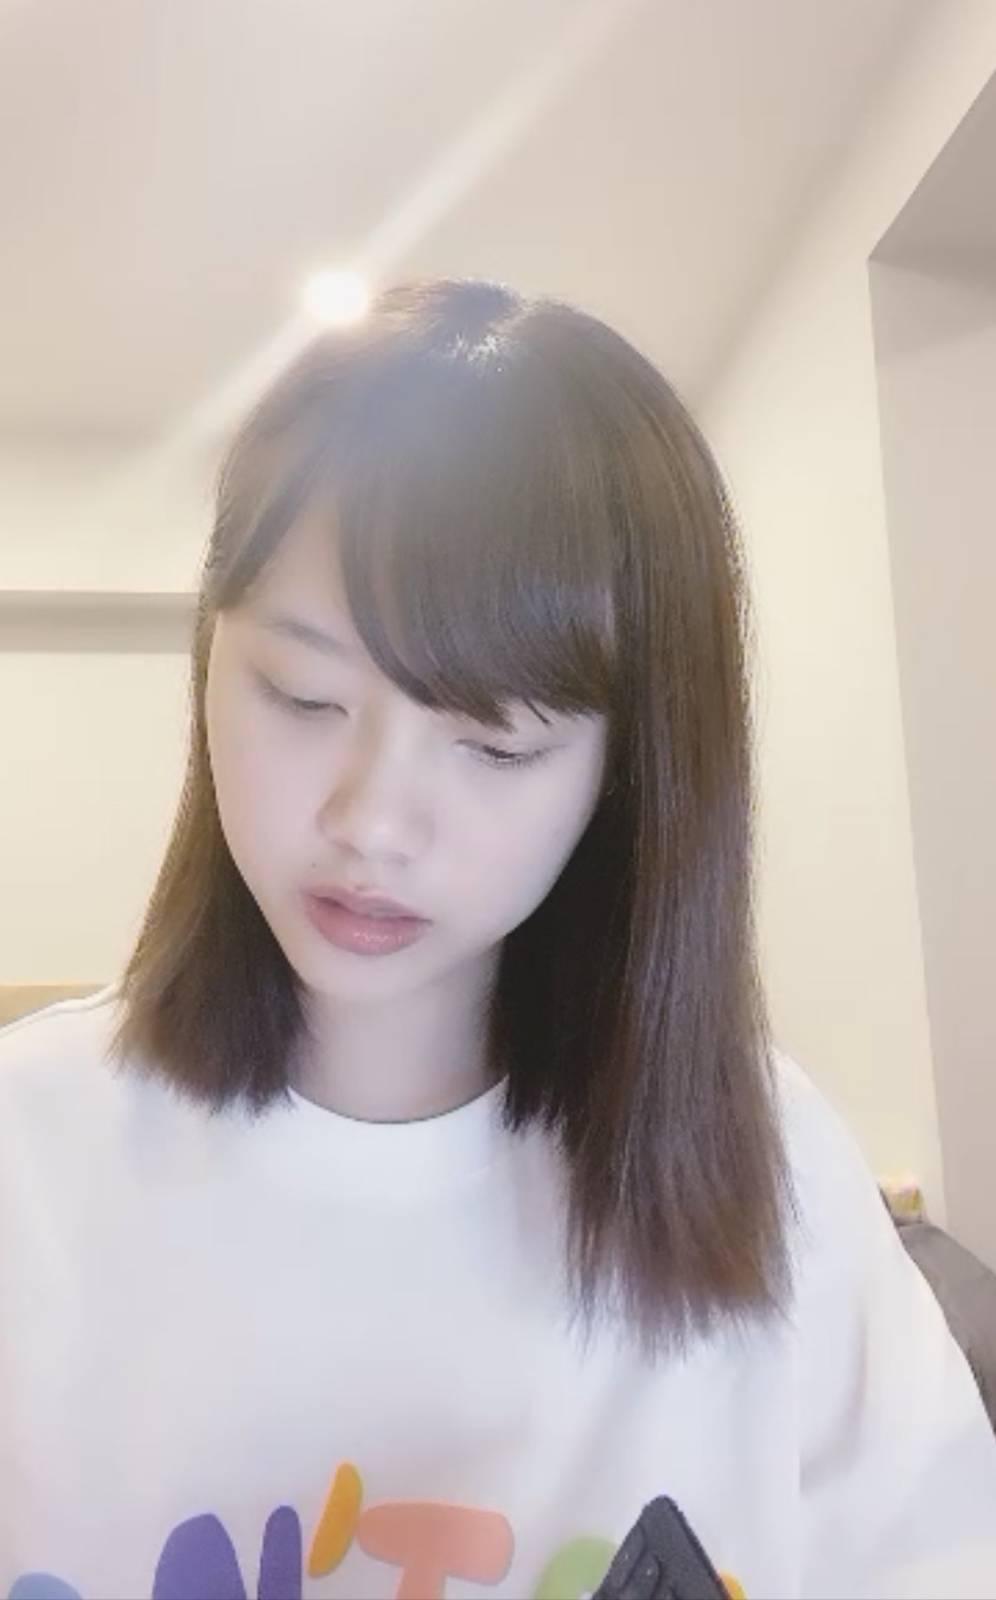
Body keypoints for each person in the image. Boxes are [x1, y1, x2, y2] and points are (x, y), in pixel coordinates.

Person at [1, 280, 994, 1600]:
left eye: (496, 745)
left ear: (624, 774)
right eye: (302, 695)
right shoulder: (29, 1155)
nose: (373, 822)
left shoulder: (771, 1171)